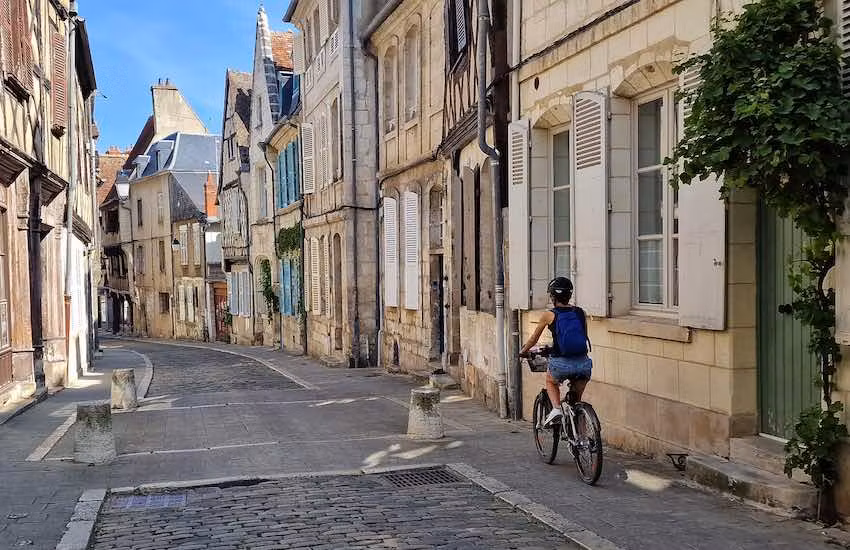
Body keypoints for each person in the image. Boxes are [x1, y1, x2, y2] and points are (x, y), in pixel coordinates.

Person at [520, 277, 592, 426]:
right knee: (576, 402)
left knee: (551, 381)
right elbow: (582, 336)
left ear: (553, 297)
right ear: (569, 295)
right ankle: (583, 439)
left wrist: (523, 351)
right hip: (584, 364)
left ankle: (556, 409)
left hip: (561, 364)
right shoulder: (580, 312)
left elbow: (533, 339)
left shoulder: (549, 315)